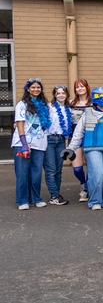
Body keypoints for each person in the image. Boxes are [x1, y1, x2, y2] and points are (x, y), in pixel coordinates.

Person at [12, 78, 51, 210]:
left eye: (38, 87)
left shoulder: (44, 105)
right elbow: (20, 124)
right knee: (22, 173)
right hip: (22, 143)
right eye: (33, 87)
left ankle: (35, 198)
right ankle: (22, 200)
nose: (36, 89)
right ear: (28, 89)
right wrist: (24, 144)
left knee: (36, 173)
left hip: (39, 143)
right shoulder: (22, 104)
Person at [44, 84, 71, 206]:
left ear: (66, 95)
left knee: (59, 170)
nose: (61, 95)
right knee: (51, 170)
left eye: (63, 93)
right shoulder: (49, 107)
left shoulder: (68, 109)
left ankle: (56, 194)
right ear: (54, 95)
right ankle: (54, 196)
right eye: (58, 93)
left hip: (61, 140)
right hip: (49, 139)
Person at [68, 79, 92, 201]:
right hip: (75, 137)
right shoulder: (71, 103)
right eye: (77, 87)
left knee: (91, 165)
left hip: (90, 137)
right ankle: (83, 183)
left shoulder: (93, 103)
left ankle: (86, 189)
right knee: (77, 168)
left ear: (87, 87)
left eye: (82, 86)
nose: (80, 89)